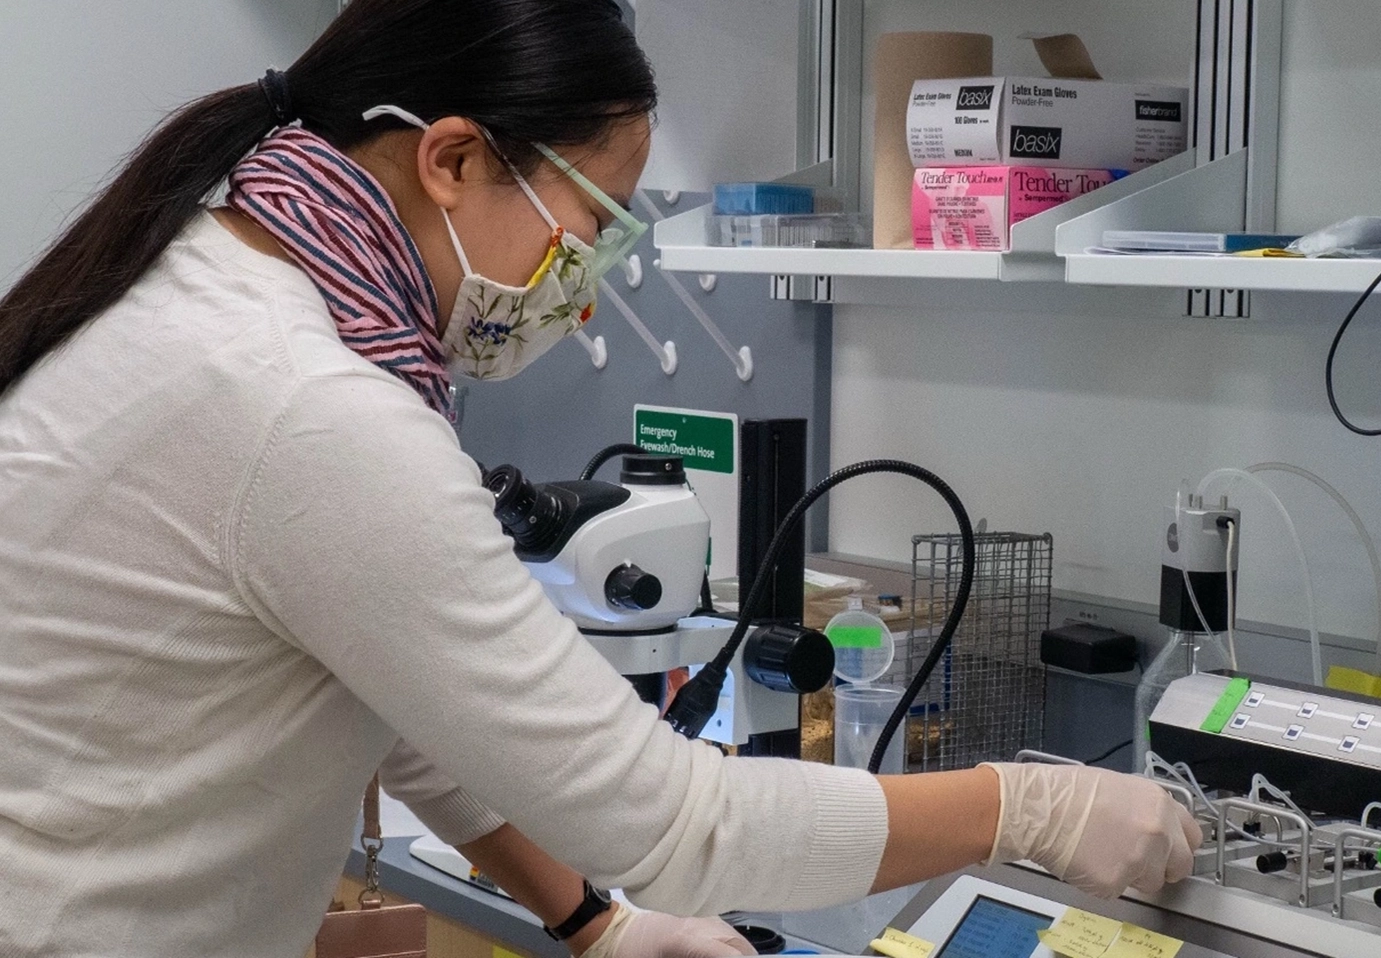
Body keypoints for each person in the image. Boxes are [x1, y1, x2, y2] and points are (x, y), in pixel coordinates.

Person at [0, 1, 1202, 955]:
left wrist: (594, 918)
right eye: (593, 226)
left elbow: (396, 695)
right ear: (454, 160)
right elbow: (678, 820)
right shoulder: (307, 407)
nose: (589, 281)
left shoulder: (214, 283)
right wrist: (1027, 809)